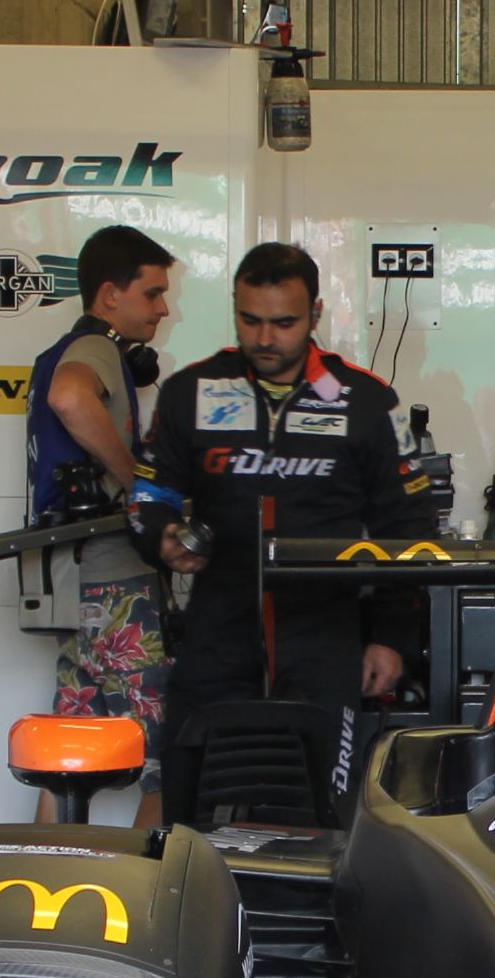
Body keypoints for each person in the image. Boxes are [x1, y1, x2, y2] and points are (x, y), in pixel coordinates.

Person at [139, 241, 434, 774]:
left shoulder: (367, 401)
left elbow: (409, 527)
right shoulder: (191, 391)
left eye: (283, 323)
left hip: (324, 634)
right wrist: (161, 535)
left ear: (315, 313)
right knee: (195, 792)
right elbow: (149, 494)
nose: (264, 338)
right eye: (249, 320)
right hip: (217, 631)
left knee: (317, 799)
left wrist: (391, 638)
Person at [28, 225, 178, 824]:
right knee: (164, 760)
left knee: (64, 760)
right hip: (118, 582)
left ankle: (43, 875)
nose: (163, 308)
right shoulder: (95, 348)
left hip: (75, 582)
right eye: (153, 293)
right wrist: (137, 482)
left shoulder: (59, 351)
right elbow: (70, 397)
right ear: (110, 295)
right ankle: (152, 882)